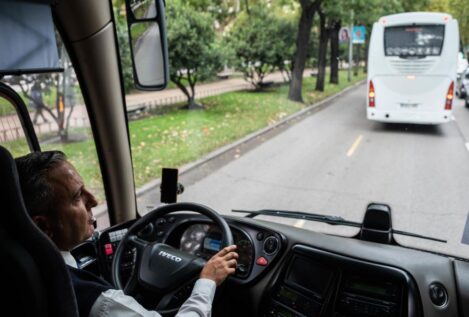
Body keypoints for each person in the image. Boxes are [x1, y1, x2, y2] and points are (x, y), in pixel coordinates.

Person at [15, 150, 238, 317]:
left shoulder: (18, 266)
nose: (93, 200)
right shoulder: (97, 302)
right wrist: (207, 280)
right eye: (76, 197)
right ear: (44, 226)